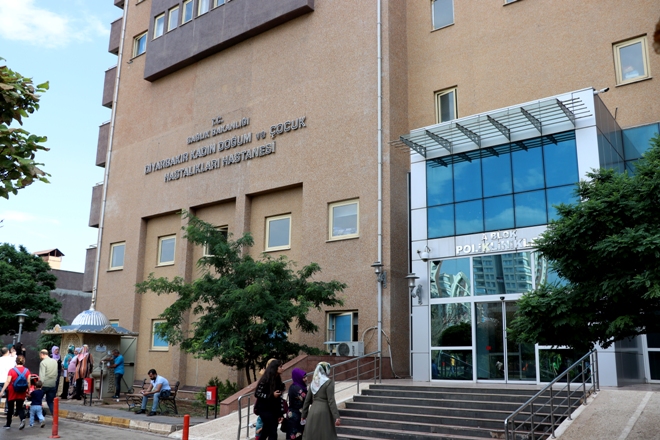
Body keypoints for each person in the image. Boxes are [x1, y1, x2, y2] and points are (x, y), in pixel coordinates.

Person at [301, 362, 340, 440]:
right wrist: (336, 416)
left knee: (312, 435)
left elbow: (307, 401)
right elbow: (331, 400)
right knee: (325, 435)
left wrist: (303, 415)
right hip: (324, 412)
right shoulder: (328, 382)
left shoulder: (314, 383)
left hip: (312, 411)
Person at [254, 359, 285, 440]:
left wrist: (280, 413)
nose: (282, 368)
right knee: (272, 432)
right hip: (265, 409)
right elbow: (257, 393)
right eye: (280, 366)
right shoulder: (265, 380)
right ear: (275, 368)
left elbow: (279, 398)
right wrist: (271, 396)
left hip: (274, 410)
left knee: (266, 431)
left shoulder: (278, 380)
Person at [0, 355, 31, 430]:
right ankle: (22, 419)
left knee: (10, 408)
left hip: (12, 391)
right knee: (20, 407)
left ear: (16, 361)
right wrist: (28, 390)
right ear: (24, 361)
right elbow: (28, 382)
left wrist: (2, 390)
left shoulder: (11, 370)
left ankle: (8, 424)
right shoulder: (27, 370)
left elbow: (8, 381)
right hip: (22, 391)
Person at [286, 368, 307, 440]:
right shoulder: (296, 388)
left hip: (298, 415)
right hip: (295, 416)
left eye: (305, 377)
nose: (306, 379)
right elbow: (306, 398)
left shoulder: (298, 386)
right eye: (303, 377)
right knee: (294, 435)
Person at [39, 349, 58, 415]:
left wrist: (40, 385)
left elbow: (42, 375)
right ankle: (55, 415)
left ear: (42, 354)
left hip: (45, 384)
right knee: (50, 402)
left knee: (38, 400)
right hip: (52, 384)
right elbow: (56, 373)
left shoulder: (43, 363)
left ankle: (39, 415)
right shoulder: (54, 361)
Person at [0, 347, 16, 414]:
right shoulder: (12, 359)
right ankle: (7, 409)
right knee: (9, 396)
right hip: (9, 380)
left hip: (0, 380)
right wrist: (14, 355)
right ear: (8, 352)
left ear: (1, 353)